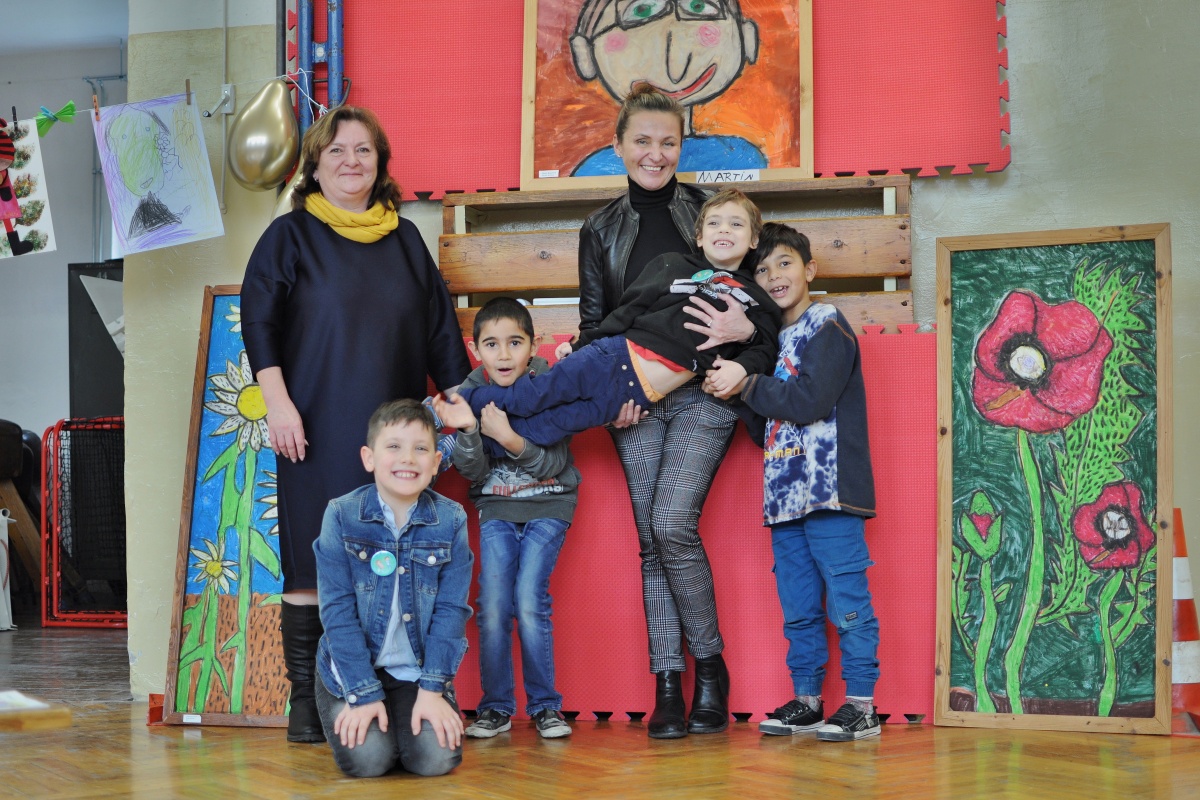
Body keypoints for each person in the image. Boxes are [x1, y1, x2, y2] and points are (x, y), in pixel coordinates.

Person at [240, 105, 471, 743]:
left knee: (394, 566)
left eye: (364, 150)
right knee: (312, 566)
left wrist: (465, 403)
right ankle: (306, 703)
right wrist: (277, 403)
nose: (351, 161)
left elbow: (439, 332)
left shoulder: (405, 240)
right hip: (312, 425)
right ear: (315, 166)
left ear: (380, 164)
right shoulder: (289, 236)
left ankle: (383, 697)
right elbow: (258, 321)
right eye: (336, 150)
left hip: (394, 442)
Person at [561, 85, 759, 740]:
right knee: (651, 538)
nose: (655, 153)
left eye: (668, 142)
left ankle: (711, 668)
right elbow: (595, 324)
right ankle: (668, 685)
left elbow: (752, 297)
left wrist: (742, 334)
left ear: (681, 147)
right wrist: (607, 396)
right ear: (619, 146)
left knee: (673, 523)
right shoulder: (599, 229)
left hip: (704, 390)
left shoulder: (710, 212)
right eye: (642, 141)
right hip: (636, 397)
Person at [706, 223, 882, 742]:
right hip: (784, 498)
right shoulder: (772, 343)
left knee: (847, 602)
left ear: (809, 269)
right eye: (762, 270)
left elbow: (810, 402)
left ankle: (862, 705)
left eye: (784, 263)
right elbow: (765, 431)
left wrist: (747, 383)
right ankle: (808, 699)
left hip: (830, 492)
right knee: (799, 607)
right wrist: (737, 391)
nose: (774, 276)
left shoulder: (827, 323)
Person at [447, 189, 781, 457]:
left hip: (635, 395)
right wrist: (582, 345)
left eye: (736, 224)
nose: (724, 229)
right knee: (532, 397)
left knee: (552, 427)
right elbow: (626, 310)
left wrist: (743, 370)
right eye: (715, 223)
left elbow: (765, 347)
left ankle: (472, 446)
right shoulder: (673, 265)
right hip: (611, 357)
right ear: (699, 237)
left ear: (754, 239)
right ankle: (450, 408)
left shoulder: (754, 298)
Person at [431, 298, 581, 740]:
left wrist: (507, 436)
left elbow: (552, 463)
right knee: (494, 605)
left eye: (515, 343)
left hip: (549, 503)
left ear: (533, 345)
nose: (503, 354)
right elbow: (473, 472)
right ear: (475, 349)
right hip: (496, 508)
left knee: (529, 601)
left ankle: (545, 706)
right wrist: (470, 430)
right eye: (492, 344)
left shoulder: (549, 384)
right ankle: (496, 707)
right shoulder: (469, 392)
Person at [312, 399, 472, 777]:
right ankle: (383, 727)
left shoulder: (451, 519)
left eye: (421, 449)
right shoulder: (341, 514)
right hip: (352, 669)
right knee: (369, 761)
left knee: (435, 760)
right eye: (394, 446)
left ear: (436, 462)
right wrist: (363, 693)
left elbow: (451, 611)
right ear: (369, 458)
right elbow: (337, 612)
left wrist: (432, 691)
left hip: (417, 673)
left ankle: (405, 724)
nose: (408, 459)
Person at [569, 0, 766, 175]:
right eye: (641, 10)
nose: (675, 69)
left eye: (698, 6)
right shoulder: (596, 171)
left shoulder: (739, 158)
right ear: (584, 53)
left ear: (747, 36)